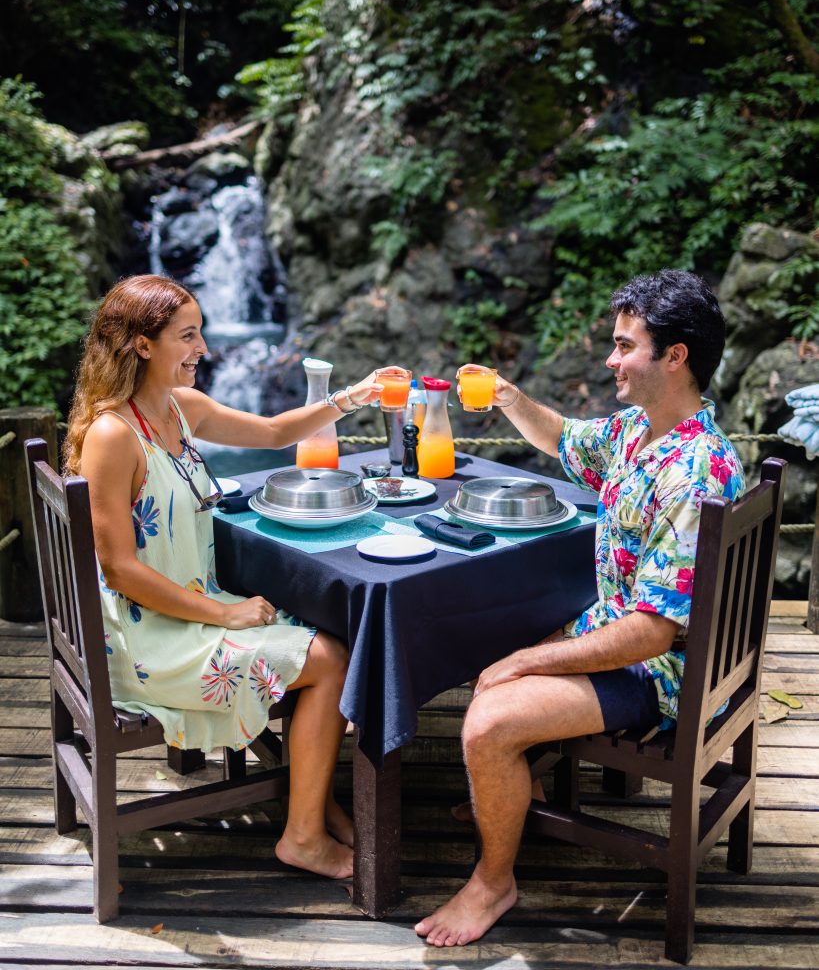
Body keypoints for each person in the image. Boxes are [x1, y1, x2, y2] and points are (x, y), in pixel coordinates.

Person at [415, 269, 745, 946]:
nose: (610, 359)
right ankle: (513, 791)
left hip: (664, 676)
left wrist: (524, 662)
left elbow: (651, 635)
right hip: (619, 632)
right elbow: (563, 440)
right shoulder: (637, 432)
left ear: (673, 356)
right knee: (483, 628)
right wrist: (507, 396)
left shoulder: (693, 472)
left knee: (486, 719)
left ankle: (493, 881)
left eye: (624, 346)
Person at [64, 273, 405, 882]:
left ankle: (313, 796)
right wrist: (225, 613)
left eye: (201, 335)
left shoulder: (179, 408)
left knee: (323, 628)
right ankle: (302, 835)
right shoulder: (114, 436)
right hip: (145, 640)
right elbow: (118, 568)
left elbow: (274, 433)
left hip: (185, 609)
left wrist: (352, 396)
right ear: (143, 345)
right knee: (331, 657)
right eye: (187, 336)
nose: (203, 350)